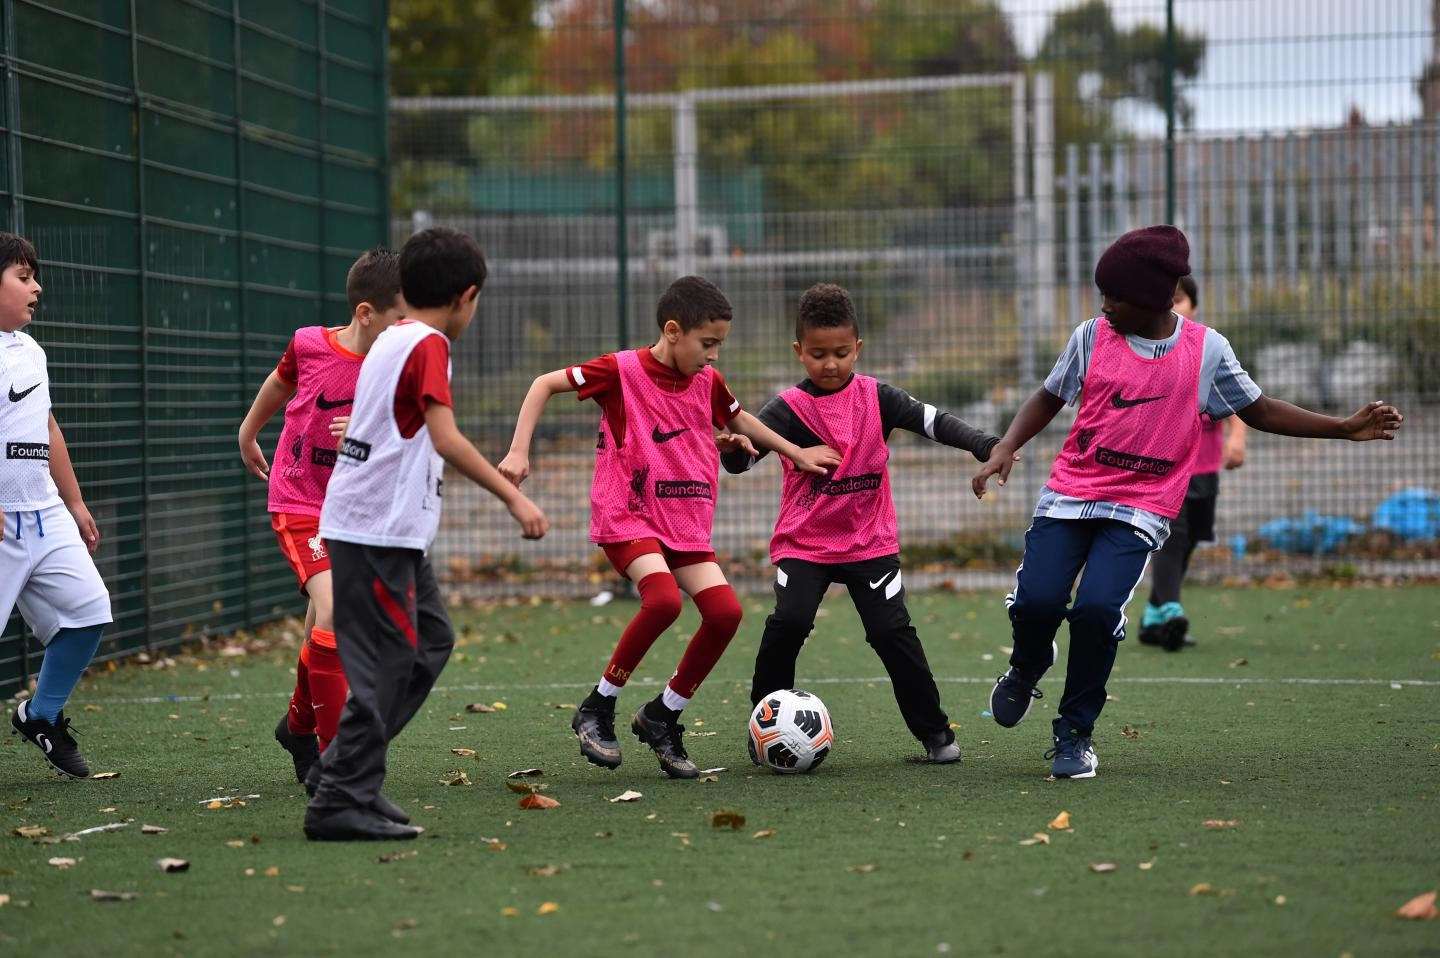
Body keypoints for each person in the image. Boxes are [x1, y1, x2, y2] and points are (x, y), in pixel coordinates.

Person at [972, 225, 1403, 780]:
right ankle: (1028, 664)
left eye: (1115, 297)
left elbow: (1261, 409)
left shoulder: (1206, 351)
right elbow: (1050, 394)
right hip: (1071, 494)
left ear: (1154, 298)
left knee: (1099, 611)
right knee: (1036, 603)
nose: (1104, 307)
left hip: (1142, 507)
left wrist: (1342, 428)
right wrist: (1006, 446)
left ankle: (1074, 734)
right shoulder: (1091, 336)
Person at [498, 276, 840, 779]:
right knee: (662, 600)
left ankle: (662, 715)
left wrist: (792, 450)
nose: (714, 355)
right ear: (674, 331)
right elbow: (543, 384)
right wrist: (518, 450)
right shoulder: (620, 370)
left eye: (720, 344)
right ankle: (598, 705)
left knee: (725, 613)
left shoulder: (707, 381)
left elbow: (739, 420)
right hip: (628, 513)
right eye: (708, 343)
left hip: (684, 519)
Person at [304, 227, 548, 841]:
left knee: (430, 643)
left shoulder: (394, 337)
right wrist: (514, 497)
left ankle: (347, 772)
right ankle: (339, 796)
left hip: (388, 531)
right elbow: (445, 437)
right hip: (374, 531)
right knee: (392, 662)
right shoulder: (427, 345)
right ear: (467, 296)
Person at [721, 283, 1002, 765]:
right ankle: (764, 726)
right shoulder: (786, 409)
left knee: (892, 633)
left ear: (858, 348)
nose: (830, 363)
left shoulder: (877, 397)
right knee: (789, 622)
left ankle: (937, 736)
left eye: (841, 352)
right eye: (817, 354)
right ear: (798, 352)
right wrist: (733, 454)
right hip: (804, 544)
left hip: (869, 543)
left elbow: (933, 420)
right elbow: (744, 460)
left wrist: (987, 445)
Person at [237, 248, 405, 784]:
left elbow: (409, 441)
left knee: (322, 624)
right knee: (336, 613)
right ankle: (339, 763)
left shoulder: (398, 367)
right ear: (364, 313)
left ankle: (297, 726)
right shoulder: (309, 344)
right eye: (398, 317)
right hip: (300, 501)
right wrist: (248, 432)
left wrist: (372, 432)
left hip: (355, 512)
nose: (408, 329)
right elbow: (280, 383)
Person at [0, 231, 112, 778]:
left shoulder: (31, 350)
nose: (36, 287)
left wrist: (75, 501)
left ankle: (40, 716)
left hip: (44, 515)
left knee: (89, 611)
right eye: (23, 277)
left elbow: (45, 426)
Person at [1139, 274, 1247, 650]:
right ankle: (1171, 609)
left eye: (1180, 299)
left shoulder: (1208, 350)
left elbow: (1241, 400)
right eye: (1164, 300)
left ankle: (1154, 614)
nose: (1172, 306)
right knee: (1174, 535)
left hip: (1205, 468)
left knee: (1191, 538)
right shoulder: (1151, 354)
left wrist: (1237, 436)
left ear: (1194, 307)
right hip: (1166, 470)